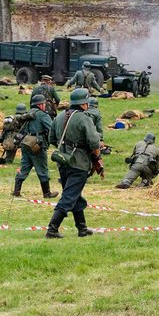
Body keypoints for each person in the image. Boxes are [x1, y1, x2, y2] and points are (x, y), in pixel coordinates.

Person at [46, 88, 104, 239]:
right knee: (69, 197)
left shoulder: (59, 116)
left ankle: (82, 229)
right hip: (79, 164)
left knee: (75, 196)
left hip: (63, 162)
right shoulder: (85, 118)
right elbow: (94, 142)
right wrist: (97, 158)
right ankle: (52, 230)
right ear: (84, 104)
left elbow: (51, 139)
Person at [10, 97, 57, 198]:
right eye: (44, 104)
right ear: (40, 105)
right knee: (42, 169)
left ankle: (16, 191)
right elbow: (52, 129)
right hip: (36, 146)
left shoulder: (27, 114)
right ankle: (47, 193)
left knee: (24, 167)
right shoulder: (43, 115)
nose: (45, 106)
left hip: (25, 143)